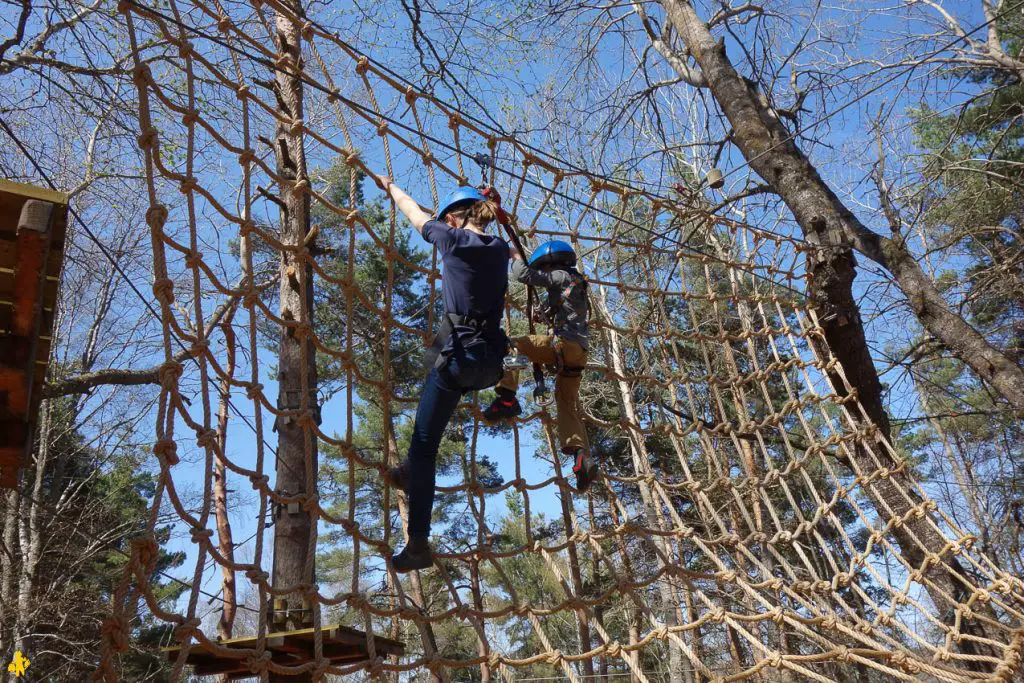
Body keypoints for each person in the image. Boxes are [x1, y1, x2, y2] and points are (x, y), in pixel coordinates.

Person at [375, 176, 510, 573]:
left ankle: (418, 542)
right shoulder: (500, 248)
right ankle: (408, 473)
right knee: (437, 380)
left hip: (461, 358)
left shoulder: (451, 240)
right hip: (489, 363)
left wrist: (393, 187)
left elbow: (414, 214)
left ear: (452, 218)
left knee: (423, 443)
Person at [482, 240, 598, 493]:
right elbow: (556, 307)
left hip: (563, 344)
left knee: (516, 344)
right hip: (579, 353)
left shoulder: (558, 275)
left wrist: (513, 253)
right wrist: (541, 312)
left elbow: (523, 275)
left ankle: (507, 397)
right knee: (566, 404)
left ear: (550, 262)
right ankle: (581, 456)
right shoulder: (577, 282)